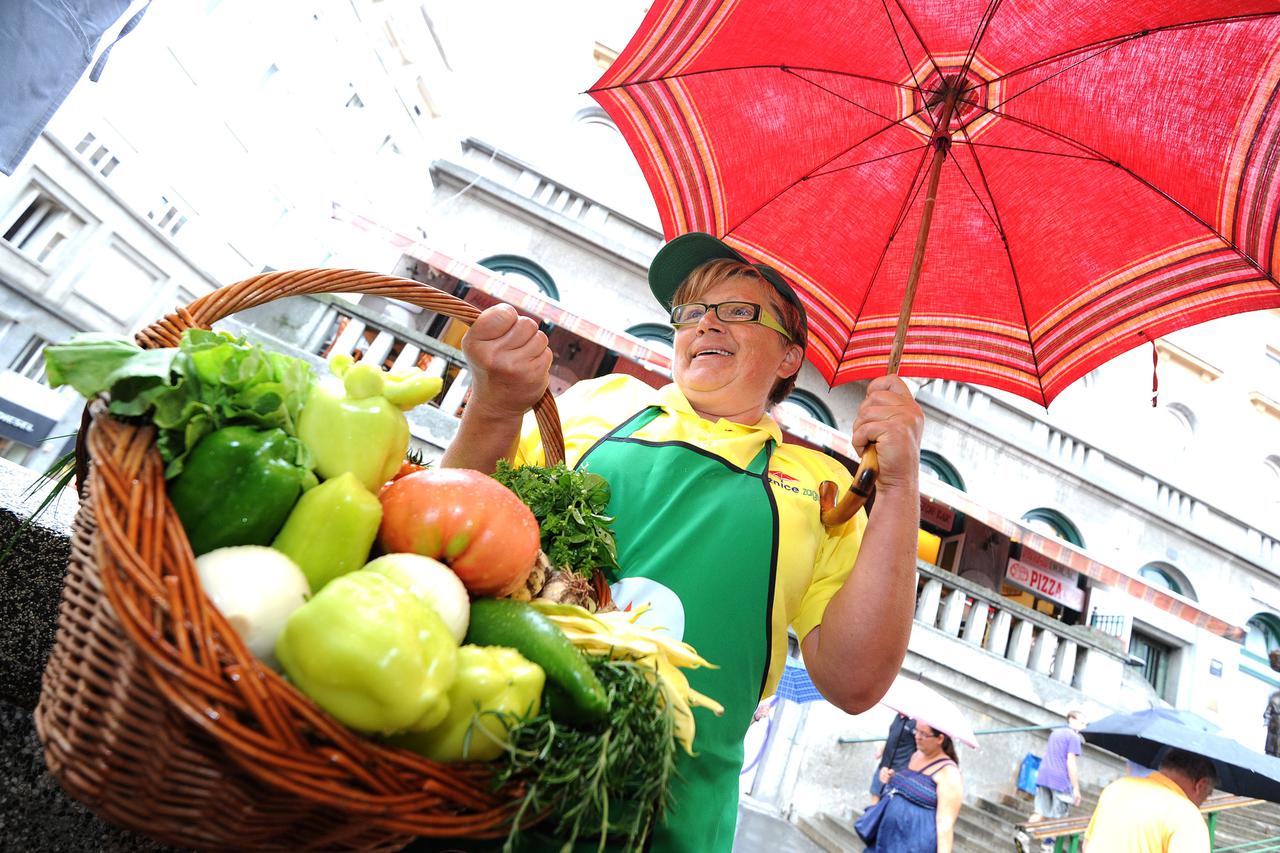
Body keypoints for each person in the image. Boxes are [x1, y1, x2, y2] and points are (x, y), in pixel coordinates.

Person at [442, 231, 925, 851]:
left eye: (739, 311)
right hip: (488, 757)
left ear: (787, 359)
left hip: (676, 818)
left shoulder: (824, 489)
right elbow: (453, 534)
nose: (706, 325)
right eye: (692, 312)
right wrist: (494, 407)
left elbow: (855, 683)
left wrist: (902, 483)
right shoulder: (599, 404)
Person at [1082, 748, 1217, 852]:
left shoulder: (1117, 788)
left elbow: (1087, 845)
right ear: (1201, 785)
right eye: (1207, 794)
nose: (1202, 803)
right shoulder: (1187, 816)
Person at [864, 721, 963, 853]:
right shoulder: (916, 755)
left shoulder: (949, 772)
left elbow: (945, 823)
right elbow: (910, 786)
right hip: (888, 838)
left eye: (924, 734)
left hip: (915, 843)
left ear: (939, 738)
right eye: (916, 731)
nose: (917, 736)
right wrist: (892, 778)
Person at [1018, 710, 1087, 852]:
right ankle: (1048, 845)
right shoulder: (1073, 737)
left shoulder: (1055, 733)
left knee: (1040, 811)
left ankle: (1022, 835)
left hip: (1044, 776)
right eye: (1082, 722)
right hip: (1060, 780)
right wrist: (1076, 788)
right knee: (1059, 817)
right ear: (1071, 719)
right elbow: (1071, 762)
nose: (1084, 726)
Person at [871, 713, 917, 804]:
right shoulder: (898, 716)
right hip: (884, 766)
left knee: (887, 804)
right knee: (875, 796)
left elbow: (920, 750)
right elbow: (893, 736)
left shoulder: (915, 723)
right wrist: (882, 748)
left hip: (897, 771)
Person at [1265, 689, 1280, 757]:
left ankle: (1275, 752)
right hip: (1274, 722)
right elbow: (1266, 713)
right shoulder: (1275, 696)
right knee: (1272, 737)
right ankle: (1271, 751)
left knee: (1276, 738)